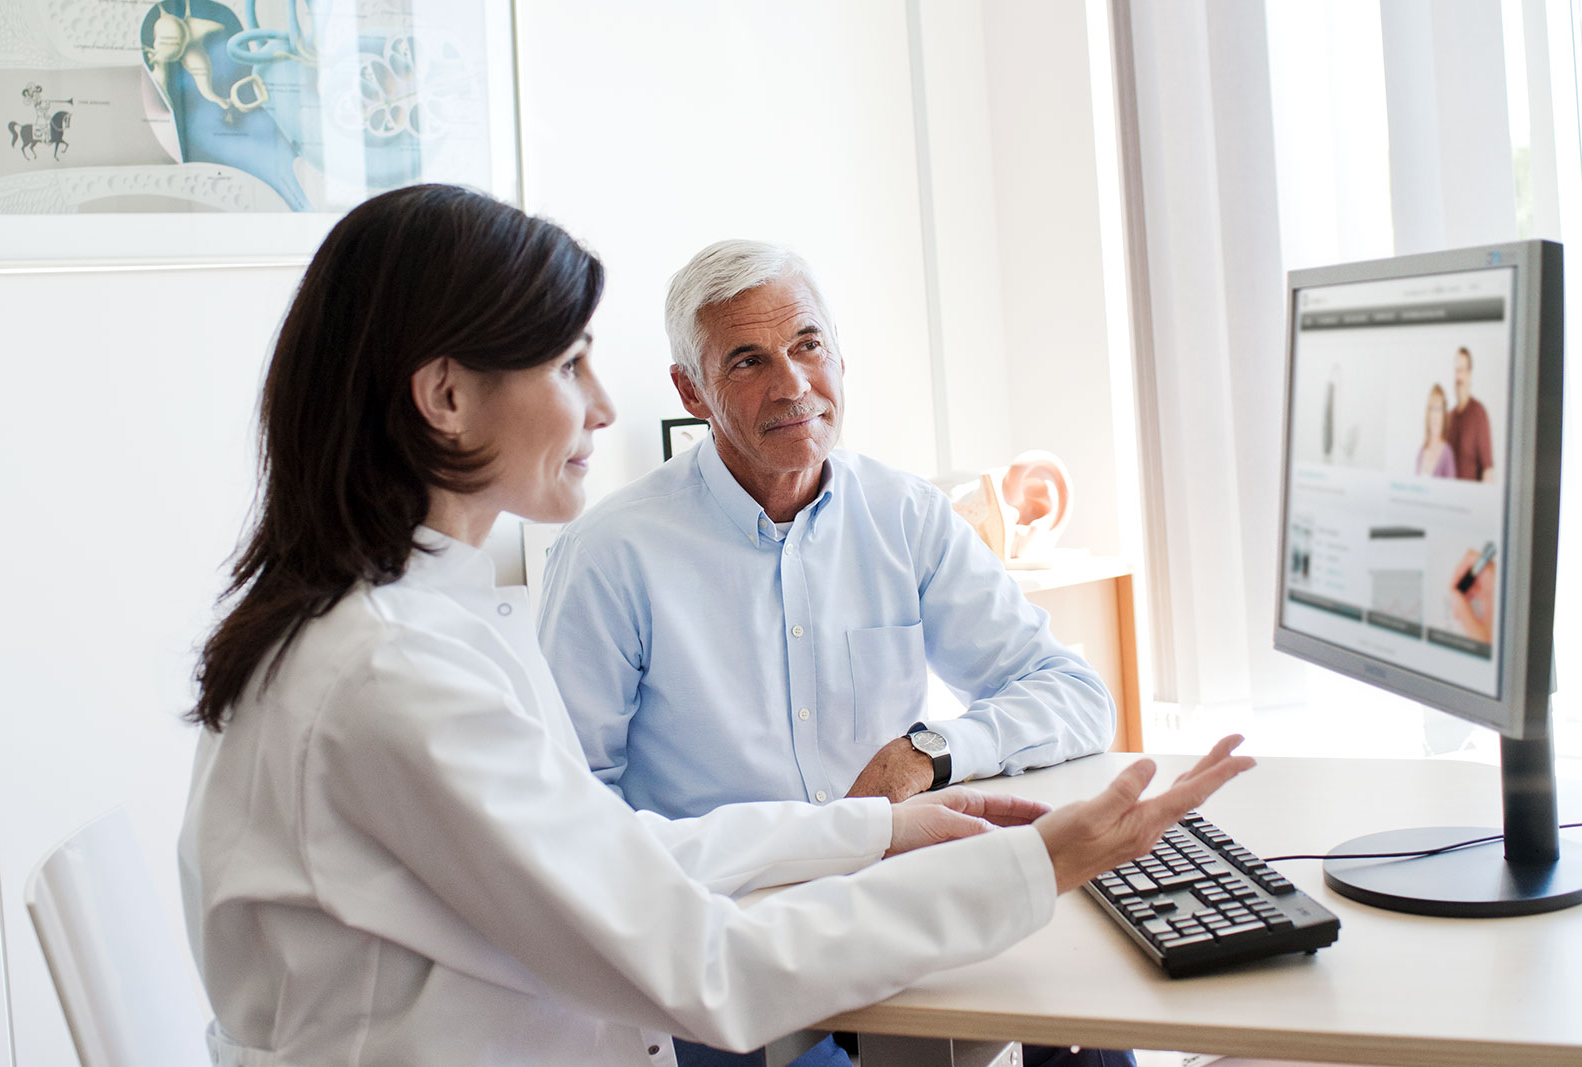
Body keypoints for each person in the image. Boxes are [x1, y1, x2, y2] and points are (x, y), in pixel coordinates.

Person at [177, 185, 1253, 1067]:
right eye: (567, 364)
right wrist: (1035, 864)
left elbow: (610, 853)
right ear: (446, 398)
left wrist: (878, 827)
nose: (600, 406)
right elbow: (700, 965)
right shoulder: (394, 670)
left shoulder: (413, 623)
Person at [537, 239, 1129, 1067]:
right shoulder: (611, 553)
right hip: (728, 944)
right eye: (746, 360)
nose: (791, 384)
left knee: (1088, 1021)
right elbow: (572, 819)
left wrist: (927, 749)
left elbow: (1072, 693)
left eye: (807, 345)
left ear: (840, 353)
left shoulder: (903, 515)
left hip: (893, 905)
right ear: (692, 391)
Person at [1444, 347, 1494, 481]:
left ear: (1470, 374)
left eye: (1462, 370)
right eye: (1456, 371)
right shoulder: (1449, 418)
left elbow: (1487, 470)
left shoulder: (1479, 413)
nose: (1458, 376)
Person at [1416, 384, 1456, 478]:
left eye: (1438, 409)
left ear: (1443, 416)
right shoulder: (1422, 452)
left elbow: (1452, 490)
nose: (1435, 415)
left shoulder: (1447, 454)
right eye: (1432, 409)